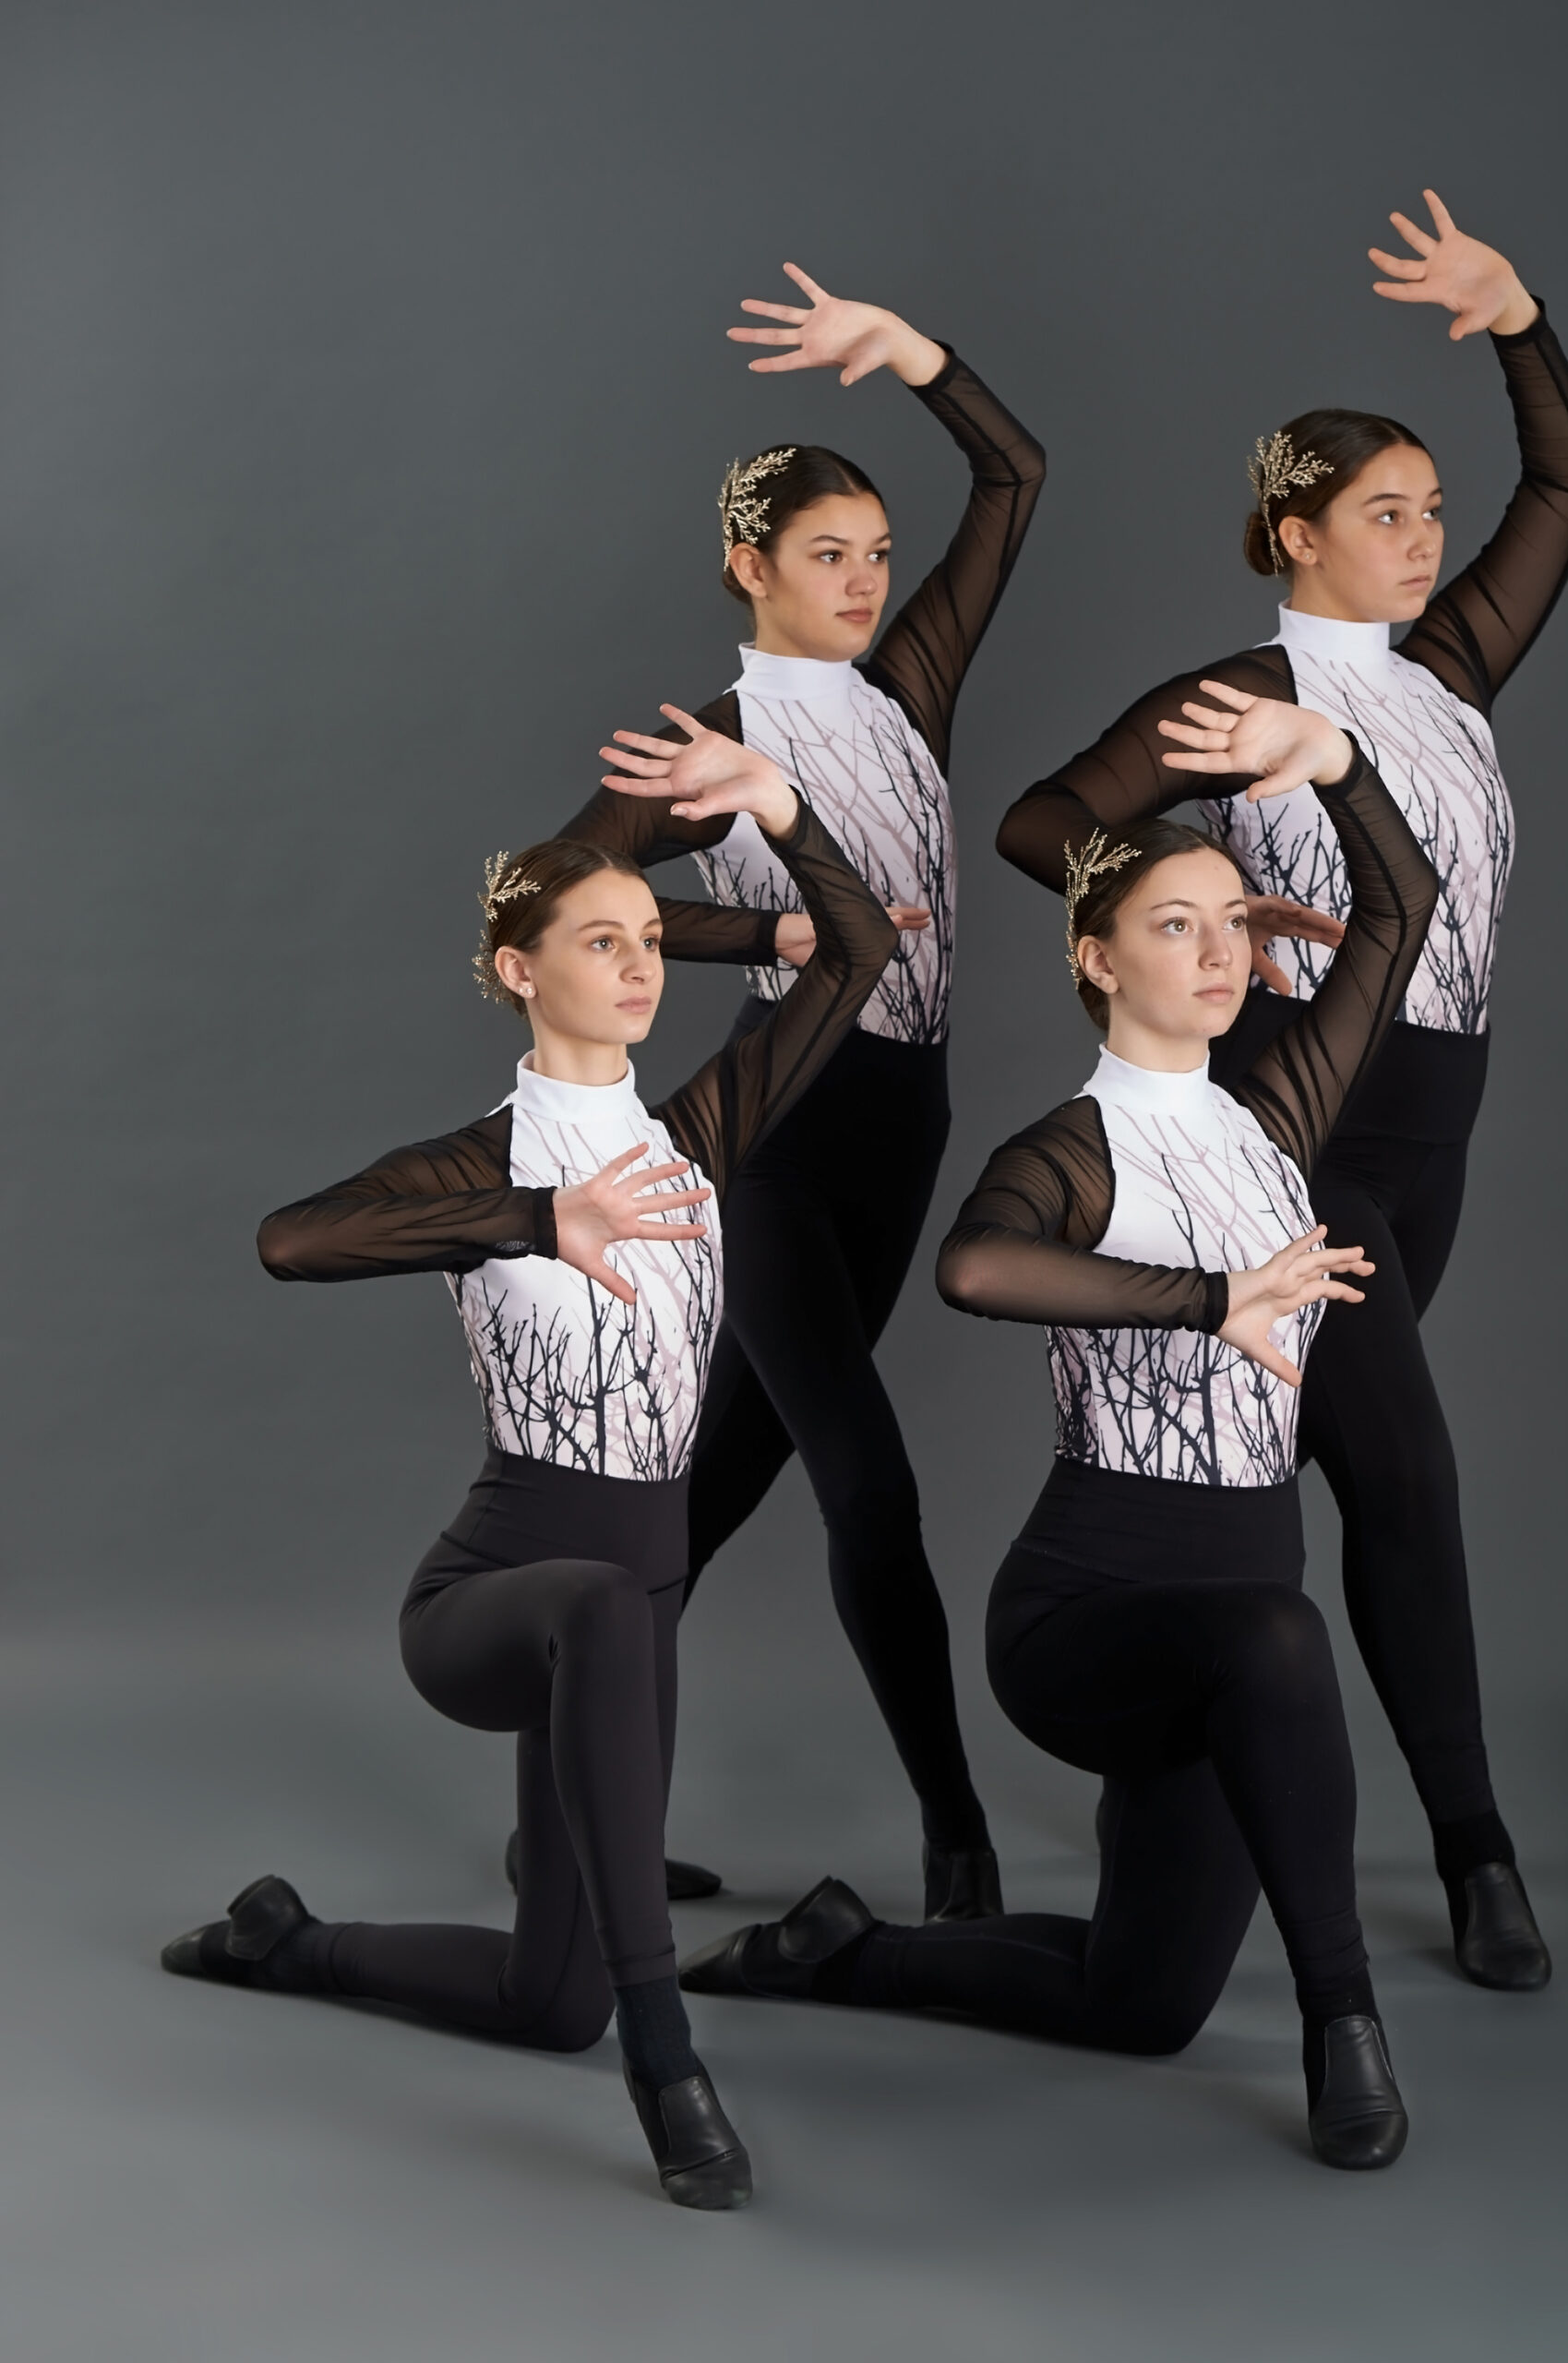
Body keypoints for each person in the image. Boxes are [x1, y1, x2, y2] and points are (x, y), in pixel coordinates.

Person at [678, 698, 1439, 2169]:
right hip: (1086, 1619)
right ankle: (1345, 2023)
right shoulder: (1072, 1149)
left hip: (1222, 1648)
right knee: (1284, 1634)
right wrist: (1212, 1296)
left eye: (1230, 921)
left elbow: (1399, 917)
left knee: (1137, 2005)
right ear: (1096, 957)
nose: (1219, 953)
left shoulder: (1276, 1113)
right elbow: (976, 1267)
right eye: (1174, 925)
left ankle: (834, 1956)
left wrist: (1334, 769)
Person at [994, 193, 1568, 1987]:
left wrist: (1517, 320)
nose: (1425, 538)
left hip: (1435, 1138)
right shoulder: (1233, 693)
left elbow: (1561, 486)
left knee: (1322, 1461)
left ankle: (1175, 1777)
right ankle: (1474, 1851)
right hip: (1303, 1131)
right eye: (1385, 513)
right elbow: (1043, 818)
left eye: (1429, 511)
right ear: (1291, 530)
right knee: (1398, 1474)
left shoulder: (1450, 667)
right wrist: (1199, 903)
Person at [162, 722, 895, 2210]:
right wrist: (529, 1220)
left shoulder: (697, 1138)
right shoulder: (477, 1162)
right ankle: (670, 2066)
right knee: (608, 1621)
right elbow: (290, 1242)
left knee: (544, 1998)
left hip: (629, 1616)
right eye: (601, 941)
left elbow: (860, 955)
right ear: (519, 969)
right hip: (497, 1600)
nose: (639, 968)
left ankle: (283, 1940)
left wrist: (781, 806)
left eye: (648, 942)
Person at [551, 265, 1046, 1920]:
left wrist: (914, 352)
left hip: (906, 1137)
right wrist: (762, 917)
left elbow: (1016, 475)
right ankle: (957, 1838)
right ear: (748, 566)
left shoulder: (906, 701)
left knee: (702, 1505)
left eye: (877, 557)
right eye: (826, 555)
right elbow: (549, 898)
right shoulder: (716, 743)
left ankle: (561, 1813)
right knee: (871, 1480)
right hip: (778, 1142)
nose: (861, 581)